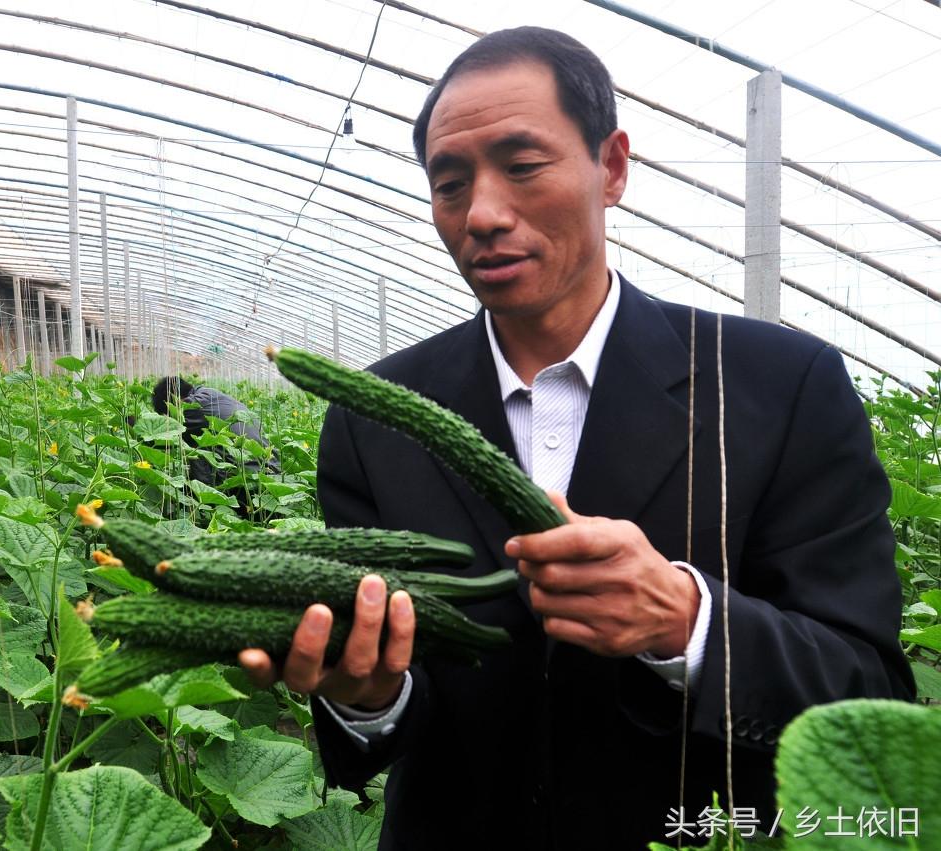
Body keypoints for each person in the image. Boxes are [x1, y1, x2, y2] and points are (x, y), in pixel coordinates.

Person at [238, 26, 914, 849]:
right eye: (450, 183)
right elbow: (384, 717)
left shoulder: (782, 384)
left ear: (613, 167)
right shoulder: (373, 411)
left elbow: (869, 689)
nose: (482, 213)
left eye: (522, 167)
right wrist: (365, 694)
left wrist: (684, 621)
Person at [152, 376, 280, 511]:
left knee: (196, 453)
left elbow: (156, 435)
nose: (168, 418)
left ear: (174, 402)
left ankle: (204, 510)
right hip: (272, 473)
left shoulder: (192, 406)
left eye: (166, 413)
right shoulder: (210, 394)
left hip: (246, 485)